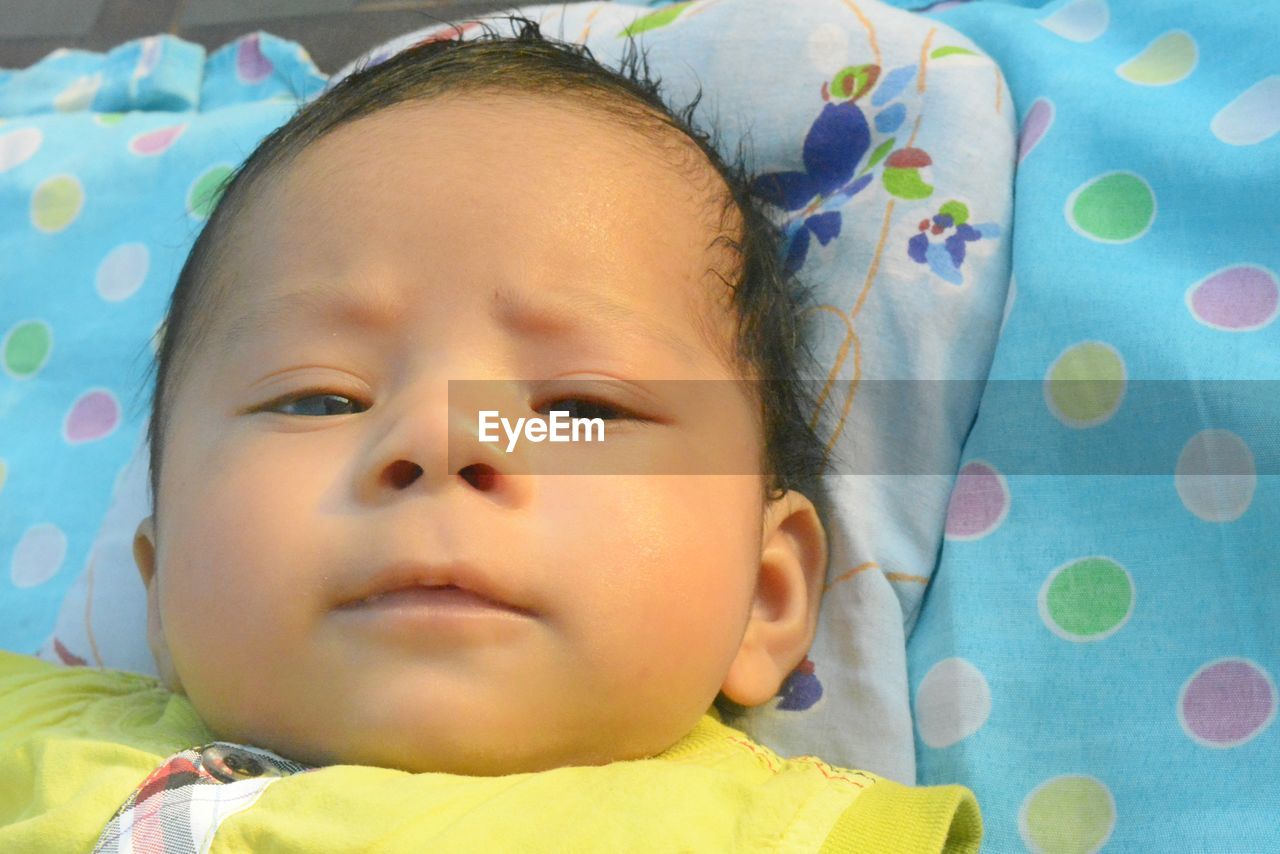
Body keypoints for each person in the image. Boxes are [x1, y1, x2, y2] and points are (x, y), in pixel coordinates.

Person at [0, 16, 981, 850]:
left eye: (578, 411)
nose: (438, 434)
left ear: (764, 593)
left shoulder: (779, 827)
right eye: (317, 397)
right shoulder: (41, 736)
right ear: (160, 587)